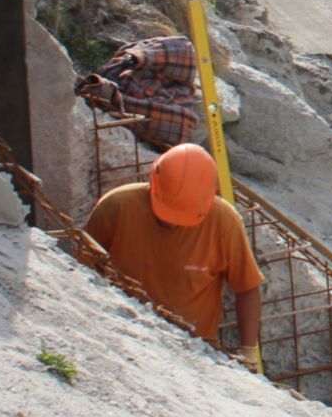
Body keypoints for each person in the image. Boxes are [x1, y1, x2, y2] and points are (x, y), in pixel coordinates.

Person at [84, 144, 265, 370]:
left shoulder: (223, 222)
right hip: (123, 338)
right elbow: (83, 271)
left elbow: (247, 287)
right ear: (153, 182)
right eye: (166, 210)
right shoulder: (117, 207)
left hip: (193, 354)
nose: (171, 222)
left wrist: (249, 352)